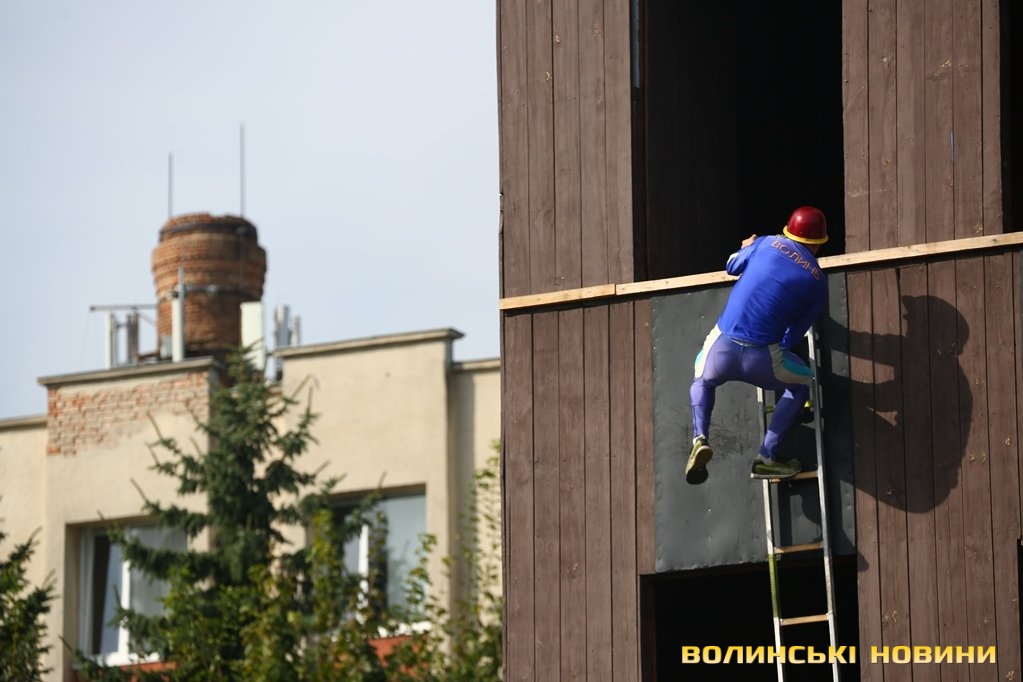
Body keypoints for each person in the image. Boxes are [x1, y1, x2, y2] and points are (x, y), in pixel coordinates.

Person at [685, 206, 829, 485]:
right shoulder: (818, 282)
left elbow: (731, 266)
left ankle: (699, 438)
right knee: (803, 383)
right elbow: (794, 336)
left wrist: (746, 247)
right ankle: (767, 458)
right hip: (763, 360)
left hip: (721, 351)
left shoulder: (766, 243)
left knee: (701, 379)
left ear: (789, 231)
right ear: (820, 243)